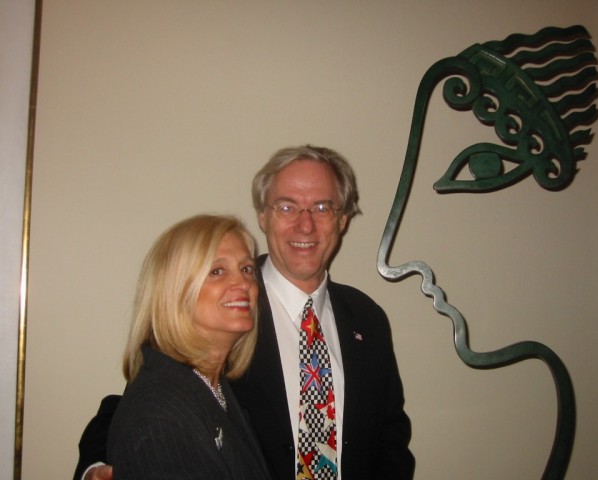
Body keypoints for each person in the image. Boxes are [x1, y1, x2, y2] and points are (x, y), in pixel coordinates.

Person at [74, 145, 414, 480]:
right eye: (287, 207)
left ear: (342, 220)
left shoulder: (367, 318)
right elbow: (146, 401)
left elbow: (390, 434)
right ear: (263, 216)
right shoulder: (223, 310)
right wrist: (97, 467)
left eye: (322, 207)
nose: (305, 225)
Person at [103, 214, 272, 479]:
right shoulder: (159, 414)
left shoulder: (211, 385)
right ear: (174, 289)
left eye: (247, 269)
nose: (243, 283)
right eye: (217, 271)